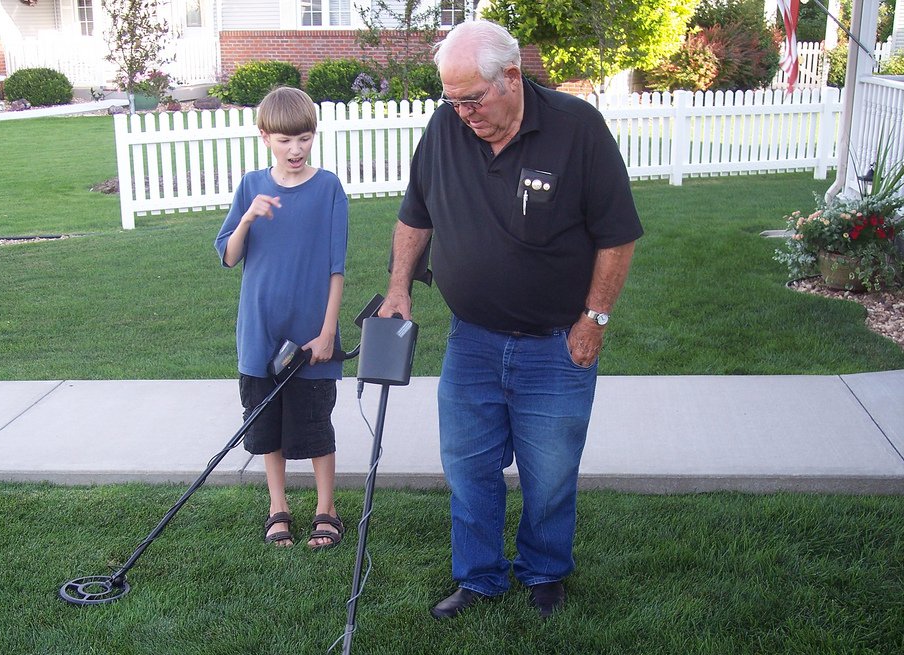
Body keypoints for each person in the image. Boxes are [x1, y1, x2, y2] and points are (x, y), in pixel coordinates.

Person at [380, 20, 643, 619]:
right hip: (471, 340)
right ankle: (478, 577)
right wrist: (399, 288)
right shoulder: (446, 126)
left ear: (512, 77)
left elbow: (617, 237)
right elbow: (415, 214)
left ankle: (545, 571)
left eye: (472, 98)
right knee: (468, 468)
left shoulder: (577, 130)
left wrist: (594, 320)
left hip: (557, 343)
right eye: (451, 99)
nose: (462, 112)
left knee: (549, 474)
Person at [215, 86, 348, 550]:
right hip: (260, 330)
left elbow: (336, 267)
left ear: (314, 135)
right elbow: (229, 257)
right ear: (265, 137)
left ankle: (325, 509)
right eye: (285, 140)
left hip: (312, 332)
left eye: (305, 139)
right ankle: (278, 508)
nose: (296, 150)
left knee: (315, 425)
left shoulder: (328, 187)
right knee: (267, 425)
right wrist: (247, 218)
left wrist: (328, 331)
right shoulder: (251, 187)